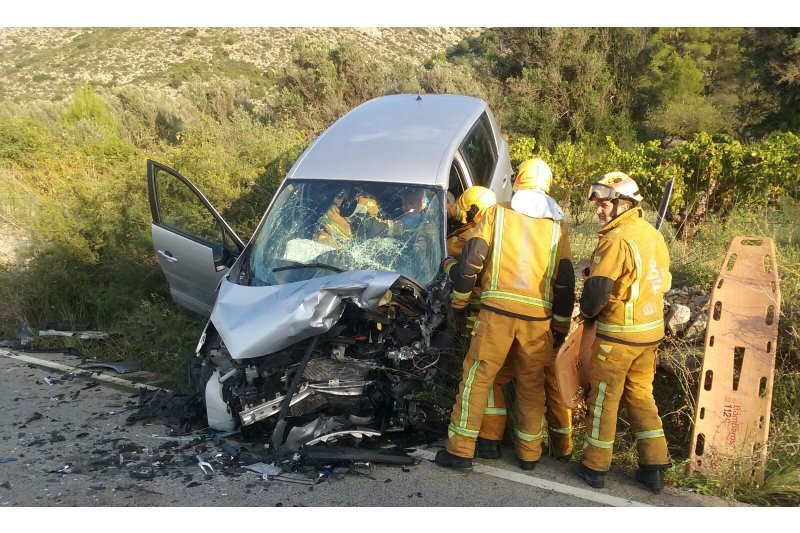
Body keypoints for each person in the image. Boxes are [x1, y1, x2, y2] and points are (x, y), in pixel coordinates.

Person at [435, 158, 575, 471]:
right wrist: (560, 329)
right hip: (537, 323)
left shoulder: (497, 213)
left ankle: (460, 450)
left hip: (496, 315)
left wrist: (459, 305)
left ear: (518, 182)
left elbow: (472, 259)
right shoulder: (557, 227)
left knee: (477, 378)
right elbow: (565, 280)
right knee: (531, 386)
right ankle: (529, 454)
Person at [576, 171, 672, 493]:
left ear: (623, 203)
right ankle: (654, 467)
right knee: (642, 396)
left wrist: (586, 316)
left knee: (603, 399)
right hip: (650, 335)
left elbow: (596, 293)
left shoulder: (615, 238)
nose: (599, 210)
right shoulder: (651, 234)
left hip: (619, 336)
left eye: (604, 204)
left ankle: (594, 466)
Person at [314, 188, 398, 248]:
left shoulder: (345, 193)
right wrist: (398, 226)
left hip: (325, 239)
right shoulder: (366, 202)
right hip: (336, 246)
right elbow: (371, 228)